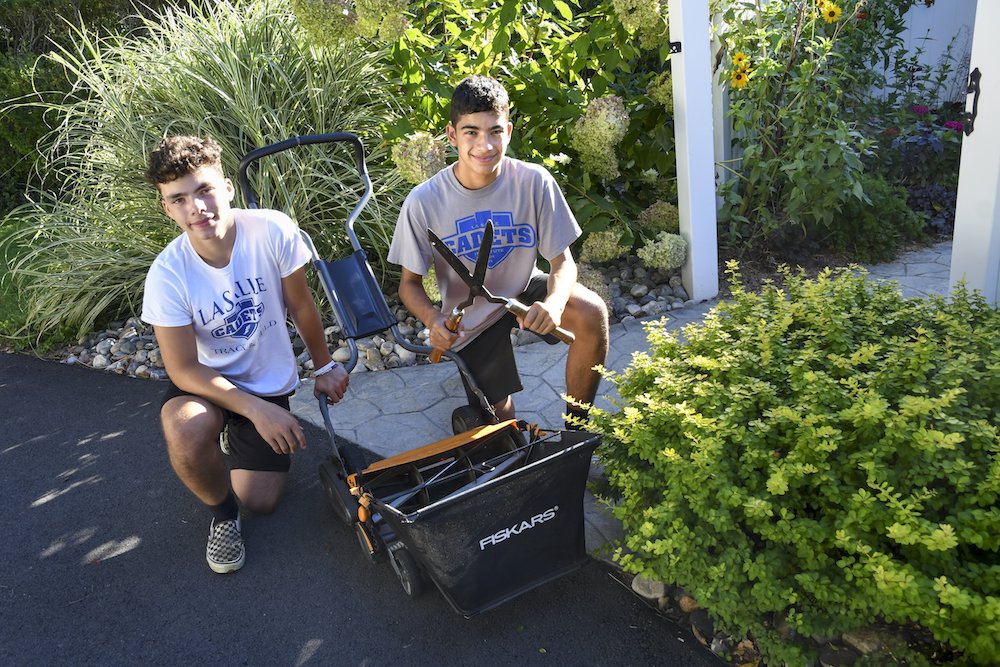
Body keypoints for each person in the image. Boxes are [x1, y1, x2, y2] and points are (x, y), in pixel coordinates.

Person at [140, 135, 349, 574]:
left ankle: (238, 439)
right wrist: (254, 411)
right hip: (206, 383)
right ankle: (222, 514)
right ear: (167, 208)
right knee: (186, 432)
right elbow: (181, 367)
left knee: (262, 501)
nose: (196, 207)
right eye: (178, 199)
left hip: (264, 379)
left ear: (227, 187)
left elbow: (302, 306)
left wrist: (325, 365)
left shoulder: (272, 230)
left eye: (204, 190)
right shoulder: (167, 274)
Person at [388, 75, 609, 425]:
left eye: (494, 131)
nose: (484, 145)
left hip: (522, 289)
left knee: (591, 312)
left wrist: (553, 304)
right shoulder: (424, 202)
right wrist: (433, 321)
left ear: (508, 130)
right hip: (470, 319)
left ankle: (578, 428)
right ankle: (487, 419)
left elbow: (562, 262)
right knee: (503, 435)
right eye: (471, 132)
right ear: (452, 135)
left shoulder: (534, 181)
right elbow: (409, 284)